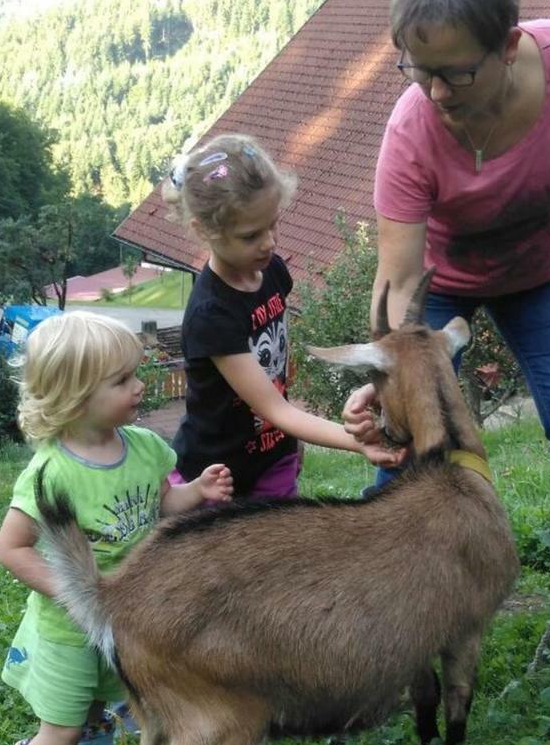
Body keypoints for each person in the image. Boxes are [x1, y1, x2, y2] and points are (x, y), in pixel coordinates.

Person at [343, 0, 550, 533]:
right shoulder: (411, 133)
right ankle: (377, 555)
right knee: (410, 421)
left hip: (545, 274)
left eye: (456, 72)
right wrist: (388, 374)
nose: (434, 92)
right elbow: (400, 277)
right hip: (443, 285)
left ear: (508, 47)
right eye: (418, 70)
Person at [0, 312, 234, 745]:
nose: (139, 386)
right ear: (75, 396)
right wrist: (76, 594)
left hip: (129, 619)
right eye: (122, 380)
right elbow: (11, 547)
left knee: (102, 711)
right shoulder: (53, 473)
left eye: (136, 374)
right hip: (69, 632)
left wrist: (197, 492)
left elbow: (162, 503)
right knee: (62, 731)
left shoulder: (144, 447)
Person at [162, 133, 404, 500]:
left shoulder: (272, 271)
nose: (270, 243)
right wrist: (356, 442)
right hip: (216, 477)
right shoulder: (212, 314)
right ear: (204, 230)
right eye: (250, 235)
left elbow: (276, 378)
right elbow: (272, 407)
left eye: (274, 224)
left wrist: (290, 442)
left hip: (272, 458)